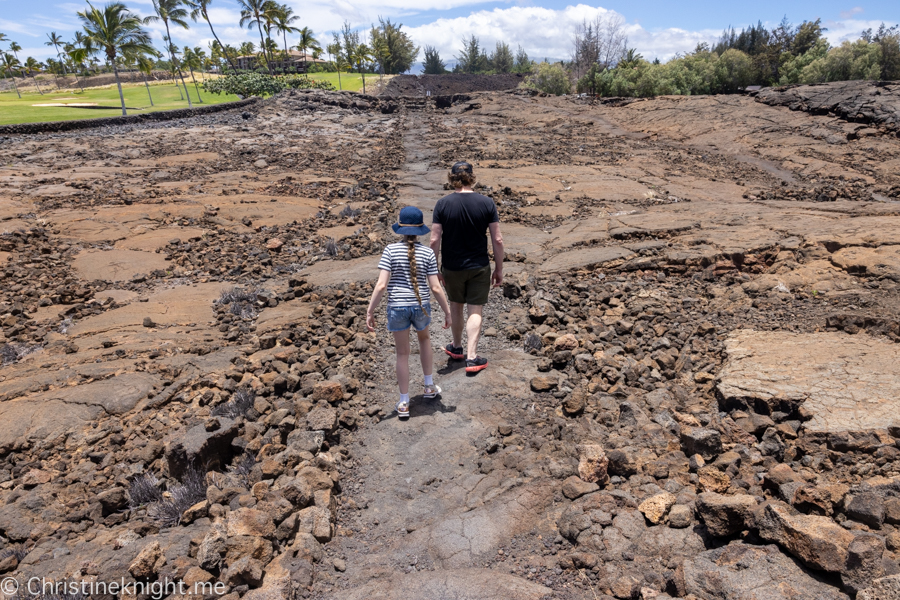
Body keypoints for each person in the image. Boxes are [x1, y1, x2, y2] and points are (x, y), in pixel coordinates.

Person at [367, 206, 452, 419]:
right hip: (421, 305)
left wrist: (370, 311)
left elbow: (381, 285)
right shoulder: (427, 253)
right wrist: (447, 311)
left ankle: (404, 402)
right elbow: (435, 287)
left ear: (400, 229)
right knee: (424, 341)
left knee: (402, 354)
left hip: (397, 306)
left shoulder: (390, 250)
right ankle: (429, 386)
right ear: (420, 229)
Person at [430, 161, 504, 373]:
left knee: (455, 305)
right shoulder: (487, 203)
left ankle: (457, 347)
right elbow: (497, 240)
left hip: (452, 266)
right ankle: (472, 358)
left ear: (451, 178)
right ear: (472, 177)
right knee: (475, 309)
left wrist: (434, 268)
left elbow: (434, 240)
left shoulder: (442, 204)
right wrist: (499, 269)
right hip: (479, 265)